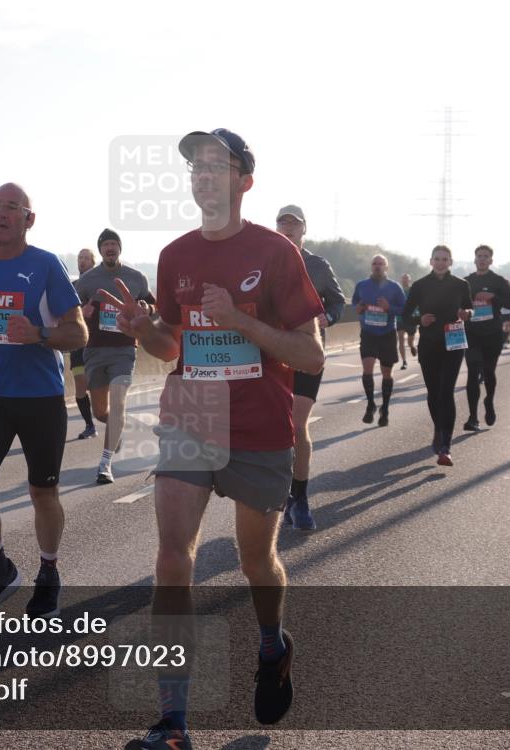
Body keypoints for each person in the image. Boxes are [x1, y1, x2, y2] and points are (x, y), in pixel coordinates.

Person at [108, 129, 324, 750]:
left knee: (257, 562)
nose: (202, 175)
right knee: (173, 559)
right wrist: (142, 328)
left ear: (243, 180)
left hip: (260, 422)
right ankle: (173, 720)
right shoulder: (175, 255)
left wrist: (240, 320)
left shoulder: (278, 252)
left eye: (215, 165)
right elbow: (171, 346)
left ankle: (271, 643)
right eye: (195, 166)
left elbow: (309, 352)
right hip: (193, 413)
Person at [0, 183, 87, 621]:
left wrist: (39, 335)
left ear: (28, 219)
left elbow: (79, 332)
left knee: (42, 492)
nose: (0, 214)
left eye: (11, 208)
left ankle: (48, 573)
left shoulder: (45, 266)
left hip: (40, 397)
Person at [275, 203, 345, 531]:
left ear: (304, 230)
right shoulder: (265, 262)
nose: (288, 228)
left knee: (297, 423)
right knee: (276, 428)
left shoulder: (318, 265)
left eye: (294, 224)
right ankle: (283, 492)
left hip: (308, 353)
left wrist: (326, 317)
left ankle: (299, 497)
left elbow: (337, 301)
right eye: (282, 223)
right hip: (272, 355)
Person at [74, 228, 155, 483]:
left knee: (118, 401)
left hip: (124, 348)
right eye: (105, 244)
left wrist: (146, 307)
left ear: (120, 248)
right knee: (101, 411)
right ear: (100, 250)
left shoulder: (136, 277)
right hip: (95, 349)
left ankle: (105, 463)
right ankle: (117, 427)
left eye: (114, 244)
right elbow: (69, 312)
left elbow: (155, 306)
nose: (110, 248)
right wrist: (81, 311)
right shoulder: (87, 280)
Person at [401, 245, 472, 466]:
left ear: (451, 262)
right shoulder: (420, 285)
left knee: (446, 391)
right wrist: (419, 321)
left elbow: (470, 309)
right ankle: (439, 429)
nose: (441, 262)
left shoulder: (461, 285)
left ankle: (446, 446)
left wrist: (467, 314)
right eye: (437, 259)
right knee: (433, 392)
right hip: (429, 344)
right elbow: (405, 316)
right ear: (431, 261)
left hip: (453, 343)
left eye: (445, 259)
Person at [462, 245, 510, 431]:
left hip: (492, 334)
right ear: (474, 259)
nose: (482, 259)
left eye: (486, 256)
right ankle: (472, 418)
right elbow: (456, 304)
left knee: (489, 373)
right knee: (472, 373)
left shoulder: (498, 281)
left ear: (491, 260)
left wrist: (493, 296)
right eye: (479, 256)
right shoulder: (466, 282)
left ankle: (489, 402)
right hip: (471, 333)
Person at [351, 255, 406, 427]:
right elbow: (354, 304)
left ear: (386, 268)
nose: (377, 266)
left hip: (387, 333)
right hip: (368, 333)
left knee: (386, 373)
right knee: (367, 370)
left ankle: (385, 408)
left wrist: (389, 308)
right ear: (371, 266)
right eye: (374, 263)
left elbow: (404, 309)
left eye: (381, 264)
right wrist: (358, 308)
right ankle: (370, 404)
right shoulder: (361, 285)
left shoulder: (395, 287)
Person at [72, 248, 98, 439]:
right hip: (78, 342)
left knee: (96, 387)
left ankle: (113, 419)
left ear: (93, 262)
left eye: (86, 258)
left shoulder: (99, 286)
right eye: (80, 257)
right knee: (80, 385)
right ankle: (90, 425)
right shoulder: (71, 286)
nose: (82, 261)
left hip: (98, 343)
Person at [398, 272, 418, 369]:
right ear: (401, 280)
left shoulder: (413, 290)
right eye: (403, 278)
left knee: (410, 341)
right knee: (400, 339)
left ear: (409, 280)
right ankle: (404, 361)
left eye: (407, 278)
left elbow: (418, 302)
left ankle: (412, 346)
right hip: (400, 318)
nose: (405, 280)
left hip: (411, 318)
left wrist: (418, 313)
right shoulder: (398, 290)